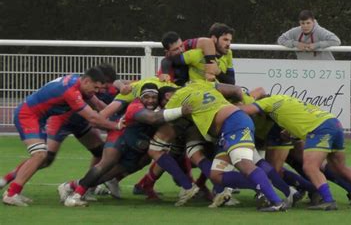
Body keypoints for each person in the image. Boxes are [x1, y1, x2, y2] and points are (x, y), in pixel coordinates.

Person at [1, 67, 123, 207]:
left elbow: (98, 104)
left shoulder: (80, 83)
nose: (97, 91)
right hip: (28, 116)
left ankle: (10, 188)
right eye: (95, 87)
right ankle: (11, 193)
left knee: (43, 157)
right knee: (41, 156)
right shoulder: (71, 91)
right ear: (87, 81)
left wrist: (118, 118)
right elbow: (92, 118)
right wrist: (117, 126)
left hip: (39, 118)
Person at [160, 81, 287, 212]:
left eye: (162, 101)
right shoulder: (200, 84)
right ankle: (262, 187)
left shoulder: (175, 99)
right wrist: (238, 104)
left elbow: (158, 117)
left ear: (168, 95)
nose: (164, 103)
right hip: (231, 124)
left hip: (233, 124)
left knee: (244, 164)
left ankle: (276, 201)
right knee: (216, 175)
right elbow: (237, 90)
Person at [239, 95, 351, 210]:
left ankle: (328, 200)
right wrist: (289, 134)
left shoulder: (267, 102)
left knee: (310, 166)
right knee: (340, 167)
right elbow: (298, 119)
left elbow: (245, 110)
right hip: (333, 123)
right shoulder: (287, 101)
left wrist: (223, 107)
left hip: (319, 129)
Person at [60, 83, 192, 207]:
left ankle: (70, 186)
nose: (150, 100)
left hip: (135, 147)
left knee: (107, 176)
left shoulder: (160, 107)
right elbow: (152, 118)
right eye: (146, 97)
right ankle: (75, 197)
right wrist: (181, 111)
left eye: (153, 97)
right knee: (105, 164)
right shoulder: (135, 106)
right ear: (140, 97)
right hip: (119, 138)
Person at [159, 23, 236, 84]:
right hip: (195, 91)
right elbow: (167, 60)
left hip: (218, 91)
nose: (181, 50)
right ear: (214, 39)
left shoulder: (228, 53)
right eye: (225, 40)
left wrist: (217, 72)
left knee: (239, 92)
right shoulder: (196, 53)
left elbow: (232, 82)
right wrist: (210, 66)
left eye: (230, 40)